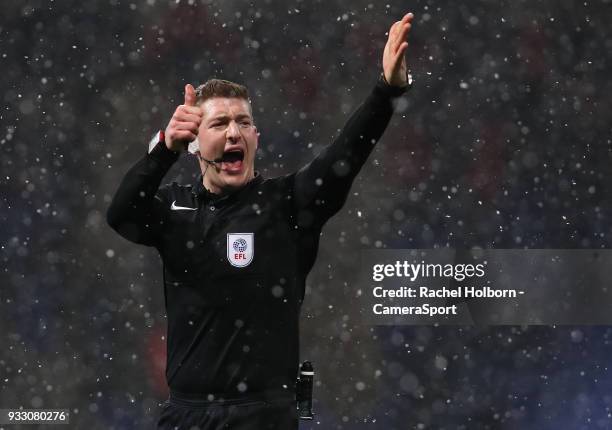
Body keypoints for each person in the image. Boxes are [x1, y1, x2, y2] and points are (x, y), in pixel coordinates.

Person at [106, 12, 414, 430]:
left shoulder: (286, 204)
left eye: (244, 123)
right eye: (219, 123)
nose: (234, 133)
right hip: (185, 415)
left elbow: (347, 153)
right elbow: (120, 215)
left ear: (256, 138)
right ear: (195, 144)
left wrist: (387, 91)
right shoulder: (173, 209)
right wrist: (163, 149)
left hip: (262, 416)